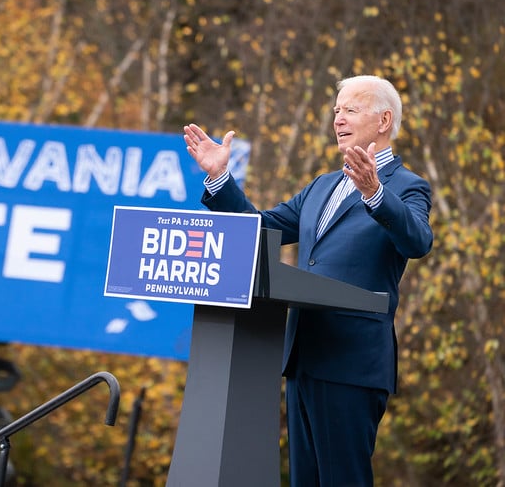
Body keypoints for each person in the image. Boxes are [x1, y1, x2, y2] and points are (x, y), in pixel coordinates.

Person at [183, 75, 433, 487]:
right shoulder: (322, 186)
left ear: (384, 119)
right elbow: (260, 230)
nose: (338, 119)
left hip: (352, 364)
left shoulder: (407, 187)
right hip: (304, 358)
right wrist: (220, 180)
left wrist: (373, 194)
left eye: (350, 110)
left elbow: (417, 241)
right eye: (336, 111)